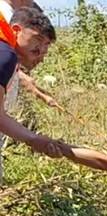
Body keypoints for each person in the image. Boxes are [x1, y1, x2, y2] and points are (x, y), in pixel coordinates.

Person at [0, 5, 66, 184]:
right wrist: (34, 139)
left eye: (44, 51)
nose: (39, 55)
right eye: (36, 44)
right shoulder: (5, 55)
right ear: (16, 30)